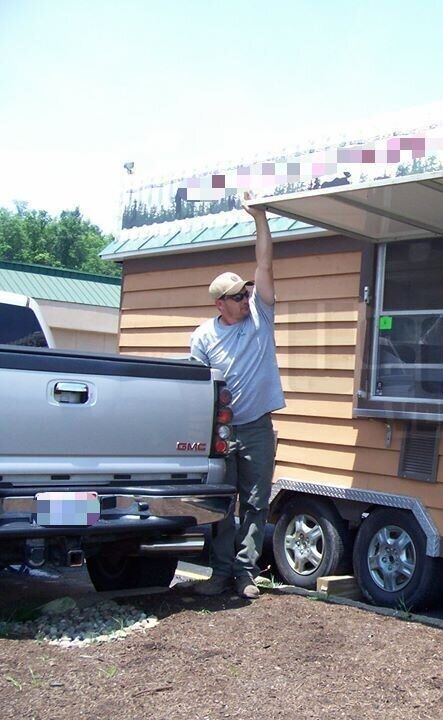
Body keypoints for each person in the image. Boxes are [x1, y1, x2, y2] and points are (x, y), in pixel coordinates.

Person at [189, 195, 285, 598]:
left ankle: (246, 573)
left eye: (246, 294)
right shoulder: (204, 336)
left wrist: (259, 218)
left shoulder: (261, 316)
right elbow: (197, 388)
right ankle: (219, 572)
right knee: (220, 502)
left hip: (258, 427)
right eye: (237, 297)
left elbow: (264, 264)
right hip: (221, 432)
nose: (246, 300)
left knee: (256, 501)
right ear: (219, 304)